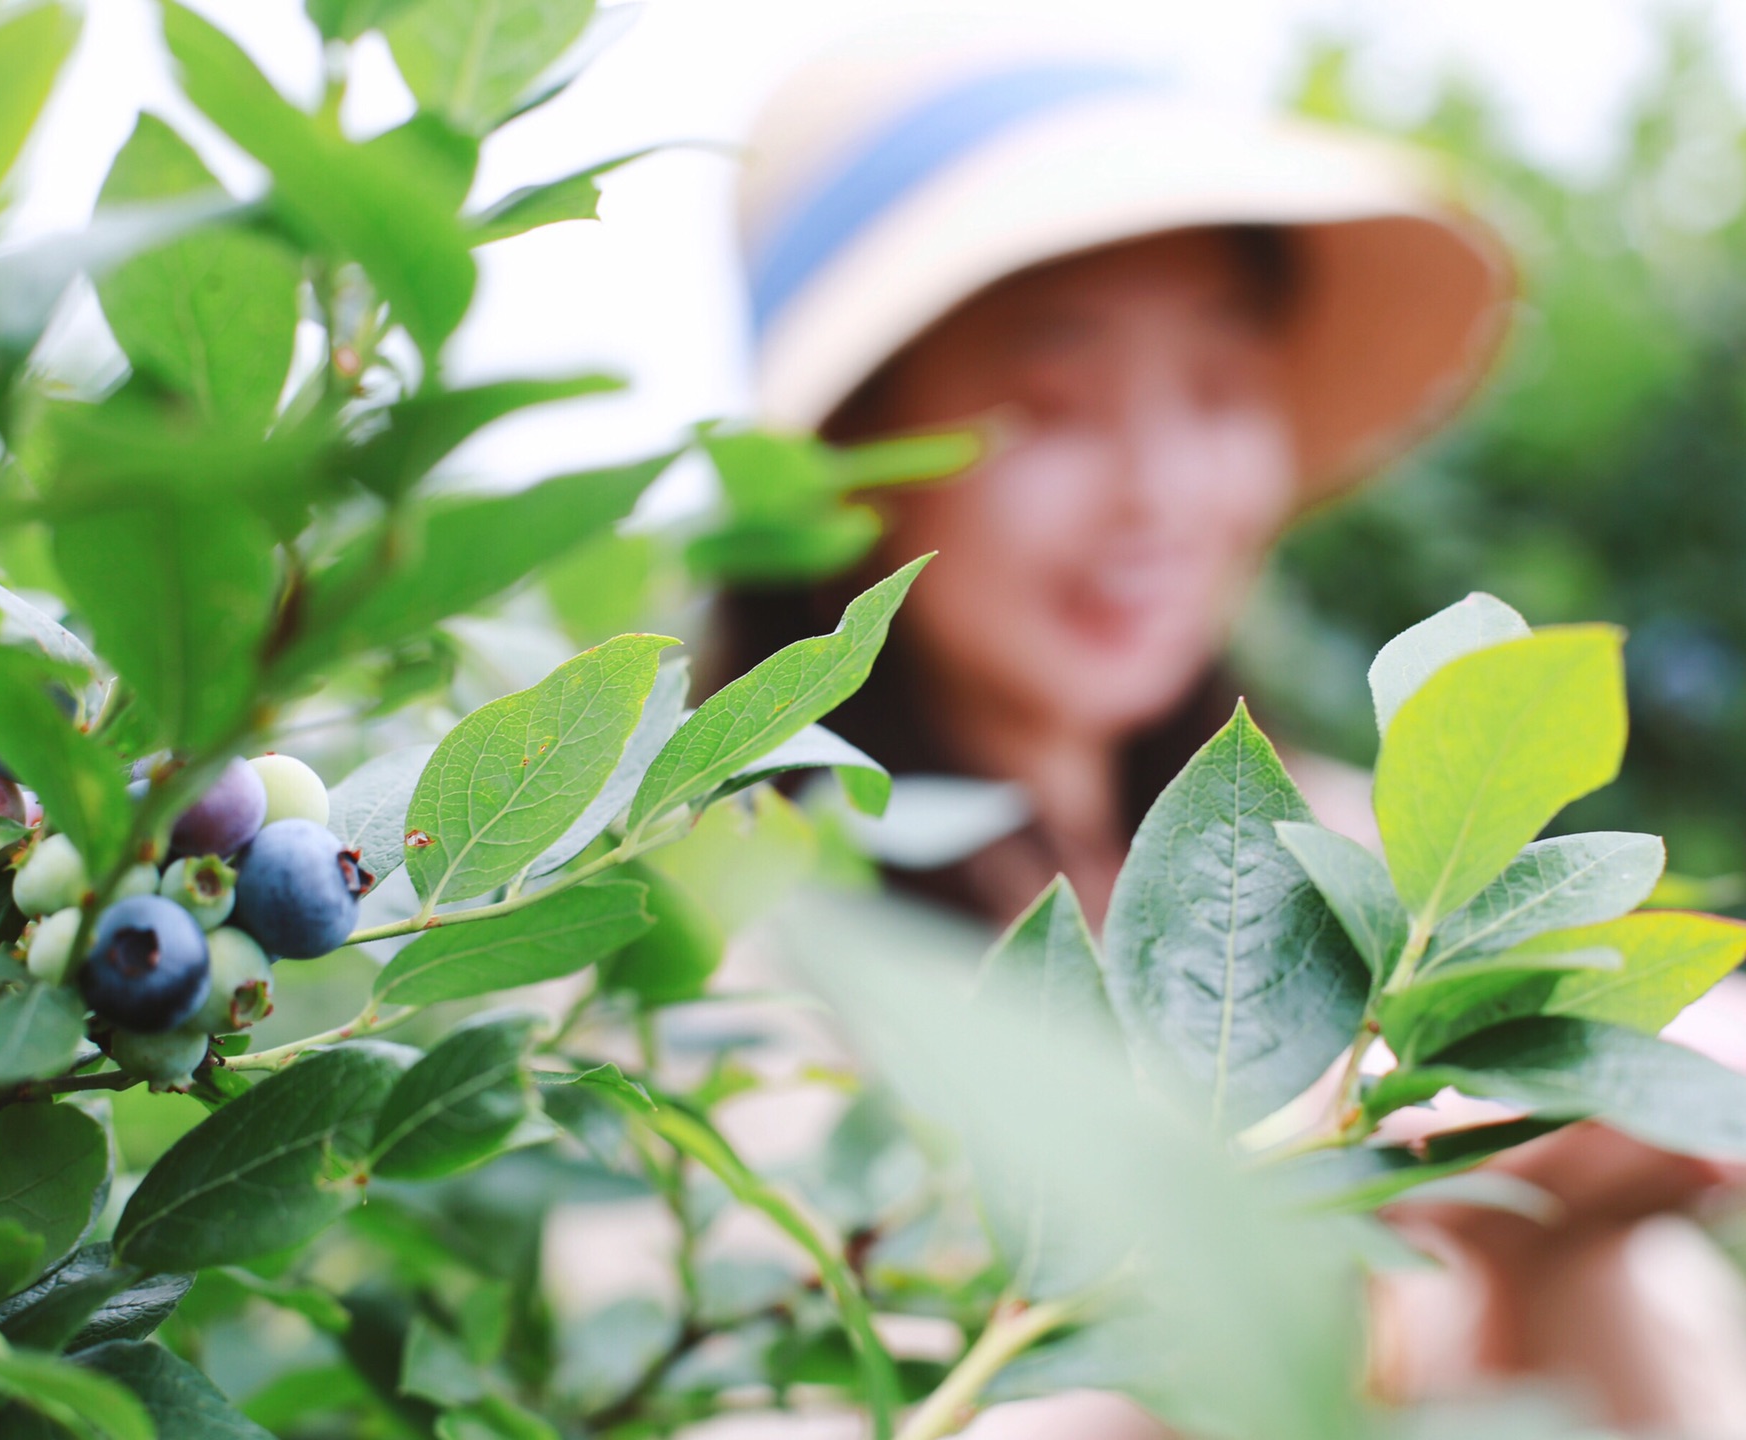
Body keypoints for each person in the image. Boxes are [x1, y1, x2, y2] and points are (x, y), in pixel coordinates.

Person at [718, 30, 1746, 1437]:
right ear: (861, 459)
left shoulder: (1366, 868)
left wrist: (1557, 1229)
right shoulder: (723, 954)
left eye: (1214, 388)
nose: (1161, 493)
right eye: (1051, 407)